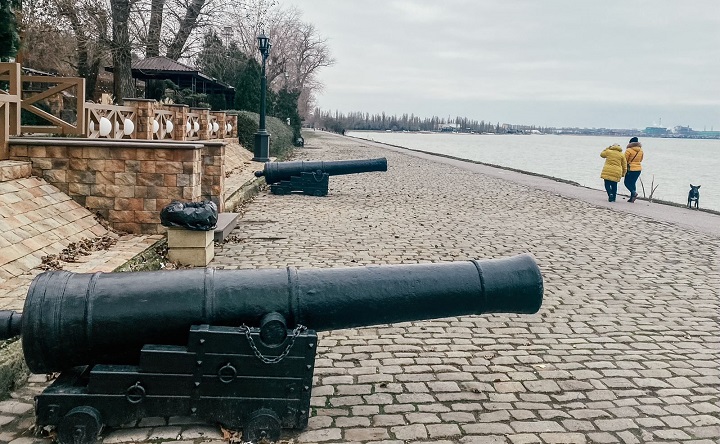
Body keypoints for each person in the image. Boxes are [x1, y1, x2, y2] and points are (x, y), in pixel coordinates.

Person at [624, 137, 644, 202]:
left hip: (630, 169)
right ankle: (632, 198)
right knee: (633, 183)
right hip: (638, 169)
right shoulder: (641, 150)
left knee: (626, 182)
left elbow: (625, 160)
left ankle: (633, 192)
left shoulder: (628, 150)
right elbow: (641, 160)